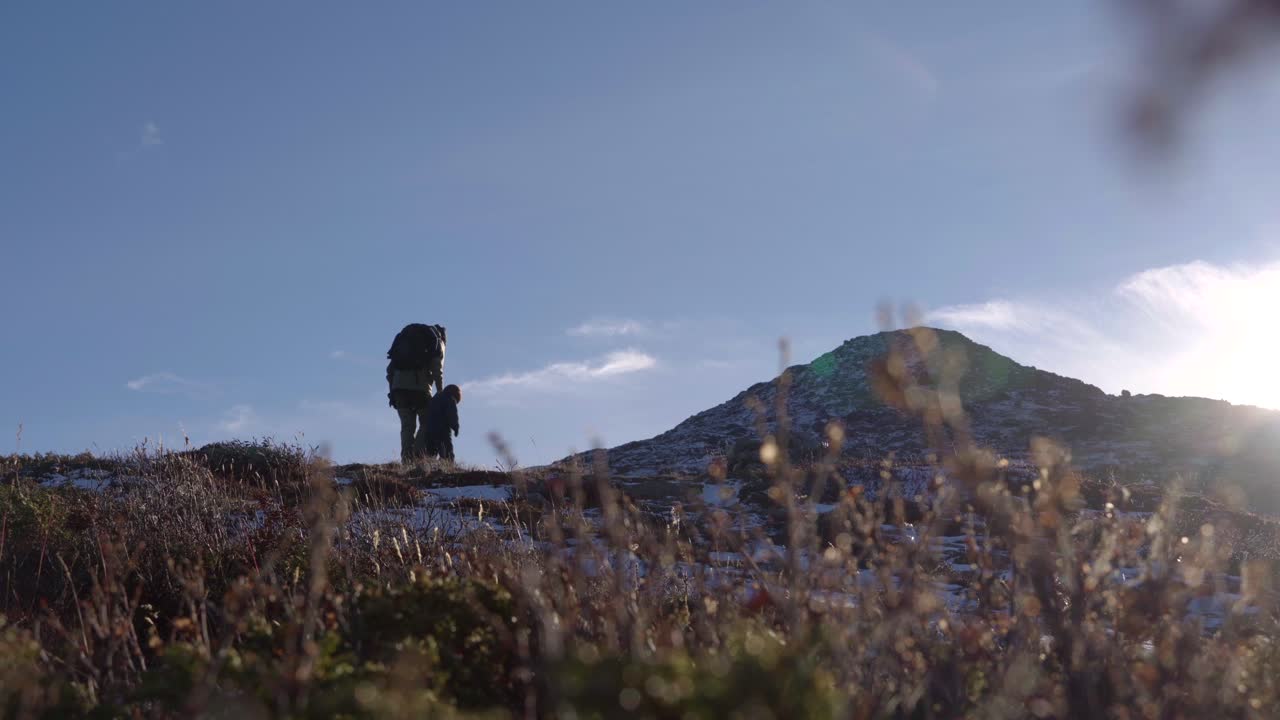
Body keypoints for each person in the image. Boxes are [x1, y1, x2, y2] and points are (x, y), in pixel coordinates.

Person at [386, 324, 446, 463]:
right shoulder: (437, 342)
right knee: (427, 422)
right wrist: (440, 392)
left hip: (399, 390)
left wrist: (392, 391)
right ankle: (418, 456)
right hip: (420, 389)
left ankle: (406, 460)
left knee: (407, 426)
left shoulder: (404, 341)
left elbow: (389, 372)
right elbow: (437, 371)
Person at [423, 384, 462, 461]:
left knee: (430, 453)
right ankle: (448, 466)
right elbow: (452, 415)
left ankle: (429, 467)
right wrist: (456, 427)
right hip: (443, 431)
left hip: (429, 431)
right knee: (447, 452)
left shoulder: (434, 398)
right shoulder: (450, 399)